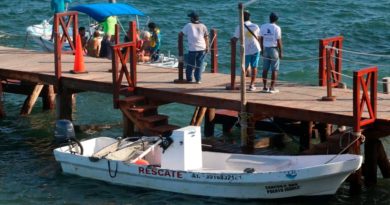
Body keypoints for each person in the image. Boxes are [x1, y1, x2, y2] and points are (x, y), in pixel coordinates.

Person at [233, 10, 261, 91]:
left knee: (244, 68)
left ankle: (243, 84)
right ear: (249, 17)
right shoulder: (255, 26)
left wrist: (231, 42)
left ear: (242, 17)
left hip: (246, 50)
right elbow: (259, 38)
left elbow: (235, 39)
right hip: (256, 48)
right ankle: (252, 84)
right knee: (254, 67)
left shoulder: (239, 27)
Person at [180, 11, 209, 84]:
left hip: (193, 48)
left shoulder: (188, 25)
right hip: (202, 47)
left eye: (190, 17)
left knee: (190, 64)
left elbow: (181, 34)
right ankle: (198, 80)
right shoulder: (203, 26)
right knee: (199, 65)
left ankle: (189, 79)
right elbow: (206, 37)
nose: (189, 19)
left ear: (192, 18)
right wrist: (207, 47)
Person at [260, 12, 283, 93]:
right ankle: (272, 88)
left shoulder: (263, 26)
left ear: (269, 18)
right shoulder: (277, 28)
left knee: (265, 69)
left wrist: (261, 49)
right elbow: (279, 41)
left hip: (265, 49)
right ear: (277, 19)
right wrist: (281, 52)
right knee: (274, 69)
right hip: (274, 49)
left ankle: (264, 87)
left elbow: (261, 39)